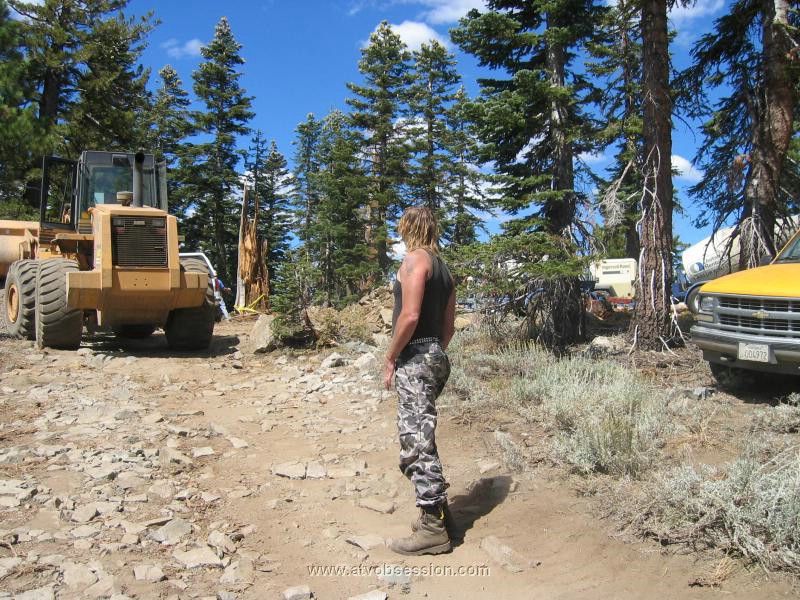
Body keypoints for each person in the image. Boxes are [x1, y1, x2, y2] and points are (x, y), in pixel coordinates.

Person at [383, 206, 456, 556]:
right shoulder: (445, 270)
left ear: (408, 228)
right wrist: (434, 353)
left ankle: (432, 527)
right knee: (422, 433)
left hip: (415, 356)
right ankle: (439, 511)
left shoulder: (415, 260)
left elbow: (410, 316)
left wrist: (391, 356)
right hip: (436, 356)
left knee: (415, 438)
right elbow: (449, 328)